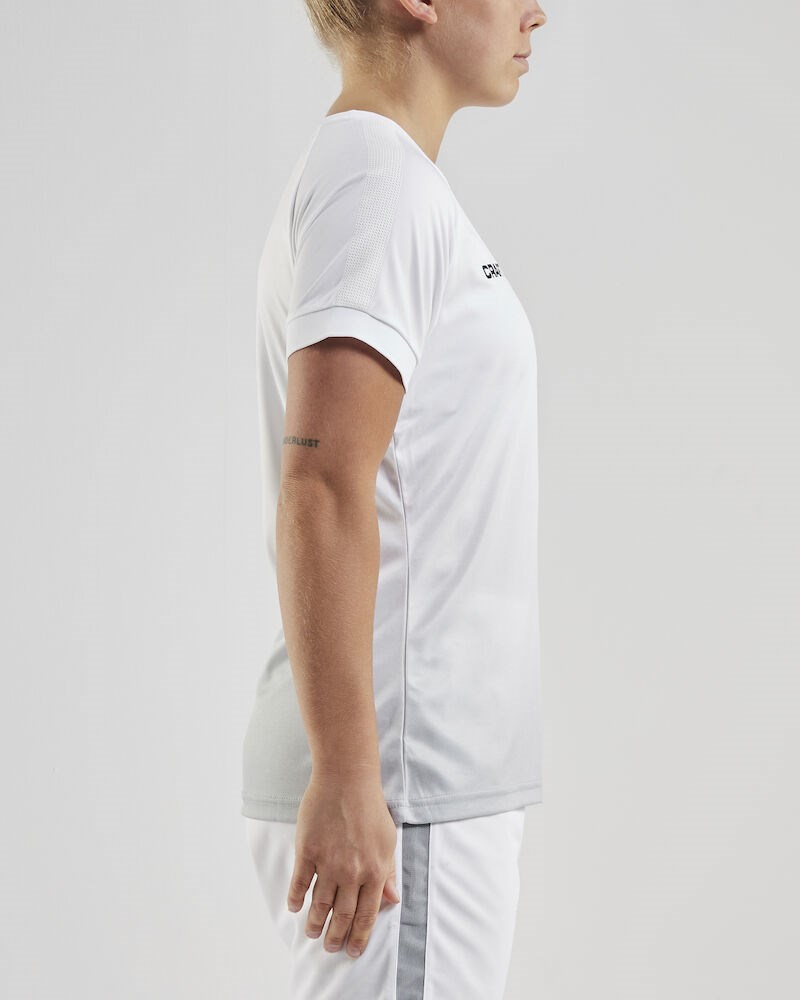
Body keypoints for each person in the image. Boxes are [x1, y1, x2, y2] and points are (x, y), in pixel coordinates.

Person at [241, 0, 548, 996]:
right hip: (398, 781)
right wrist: (348, 774)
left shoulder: (389, 182)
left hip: (407, 774)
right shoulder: (376, 181)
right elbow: (322, 485)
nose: (537, 13)